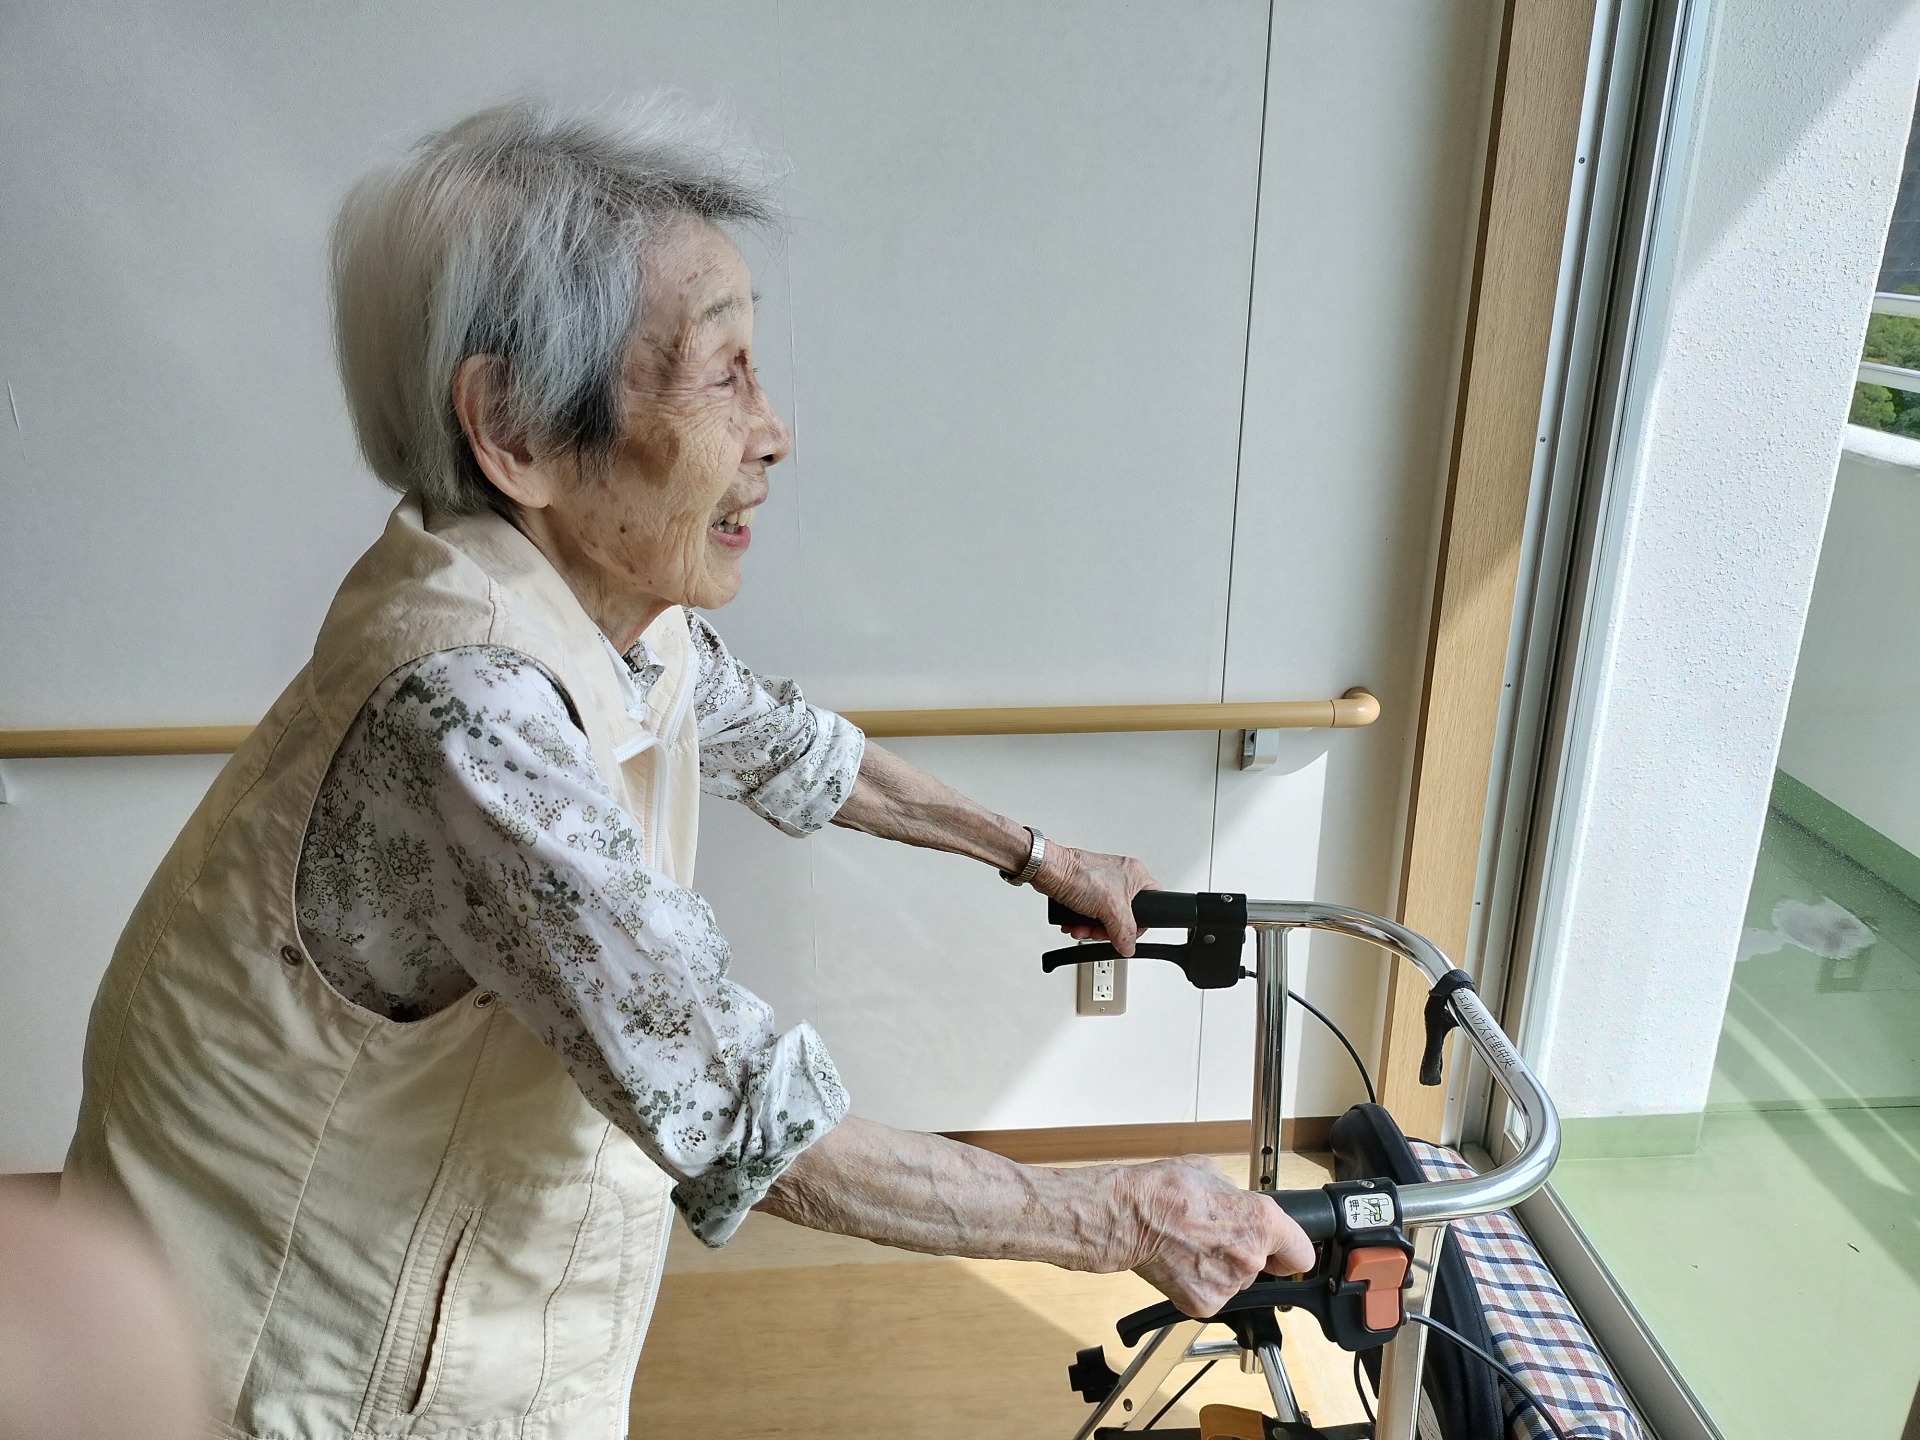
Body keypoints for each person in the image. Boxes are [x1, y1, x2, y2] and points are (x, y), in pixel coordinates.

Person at [63, 99, 1313, 1437]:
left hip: (426, 1312)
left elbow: (790, 745)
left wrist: (1039, 857)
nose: (775, 432)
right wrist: (1123, 1215)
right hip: (288, 1367)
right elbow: (740, 1109)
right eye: (723, 375)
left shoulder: (593, 610)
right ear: (516, 430)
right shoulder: (468, 708)